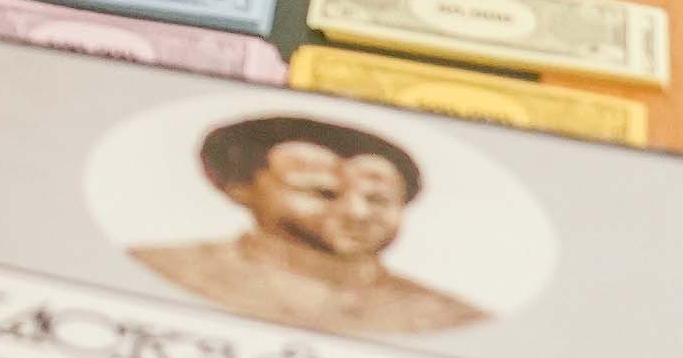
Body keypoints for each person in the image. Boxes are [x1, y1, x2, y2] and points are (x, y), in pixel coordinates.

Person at [126, 115, 486, 337]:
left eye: (378, 199)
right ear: (241, 190)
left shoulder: (449, 317)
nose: (357, 213)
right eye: (321, 192)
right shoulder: (163, 269)